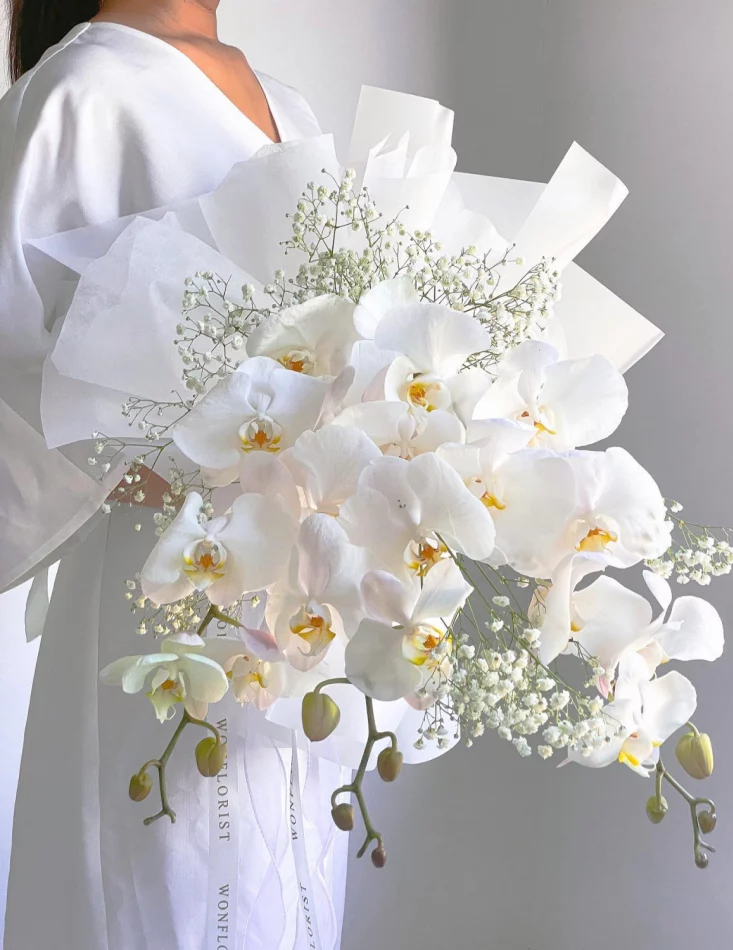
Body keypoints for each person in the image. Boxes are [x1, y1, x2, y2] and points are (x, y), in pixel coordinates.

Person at [0, 4, 349, 948]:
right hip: (163, 586)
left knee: (290, 878)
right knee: (161, 884)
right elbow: (11, 372)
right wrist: (153, 454)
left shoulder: (292, 106)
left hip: (296, 597)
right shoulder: (83, 92)